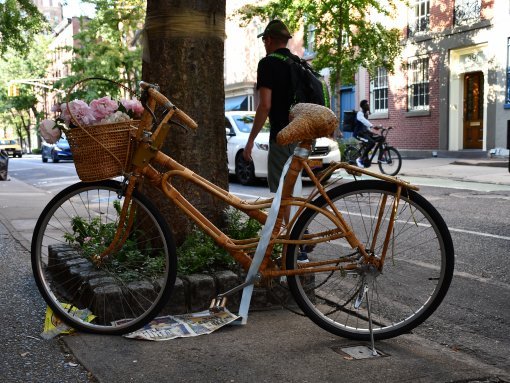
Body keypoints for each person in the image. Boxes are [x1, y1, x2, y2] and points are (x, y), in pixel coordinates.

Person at [243, 19, 308, 262]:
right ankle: (296, 239)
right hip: (301, 134)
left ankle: (294, 248)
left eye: (263, 40)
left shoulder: (268, 63)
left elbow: (265, 106)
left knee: (281, 194)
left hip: (282, 136)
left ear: (269, 40)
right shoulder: (297, 63)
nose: (263, 44)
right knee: (292, 190)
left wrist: (250, 142)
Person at [354, 99, 383, 168]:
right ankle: (360, 159)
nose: (368, 106)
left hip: (365, 133)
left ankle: (381, 157)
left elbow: (366, 126)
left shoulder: (365, 114)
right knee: (372, 142)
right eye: (367, 105)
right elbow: (364, 121)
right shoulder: (360, 114)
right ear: (363, 106)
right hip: (358, 134)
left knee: (380, 138)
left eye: (368, 104)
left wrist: (372, 131)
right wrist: (372, 126)